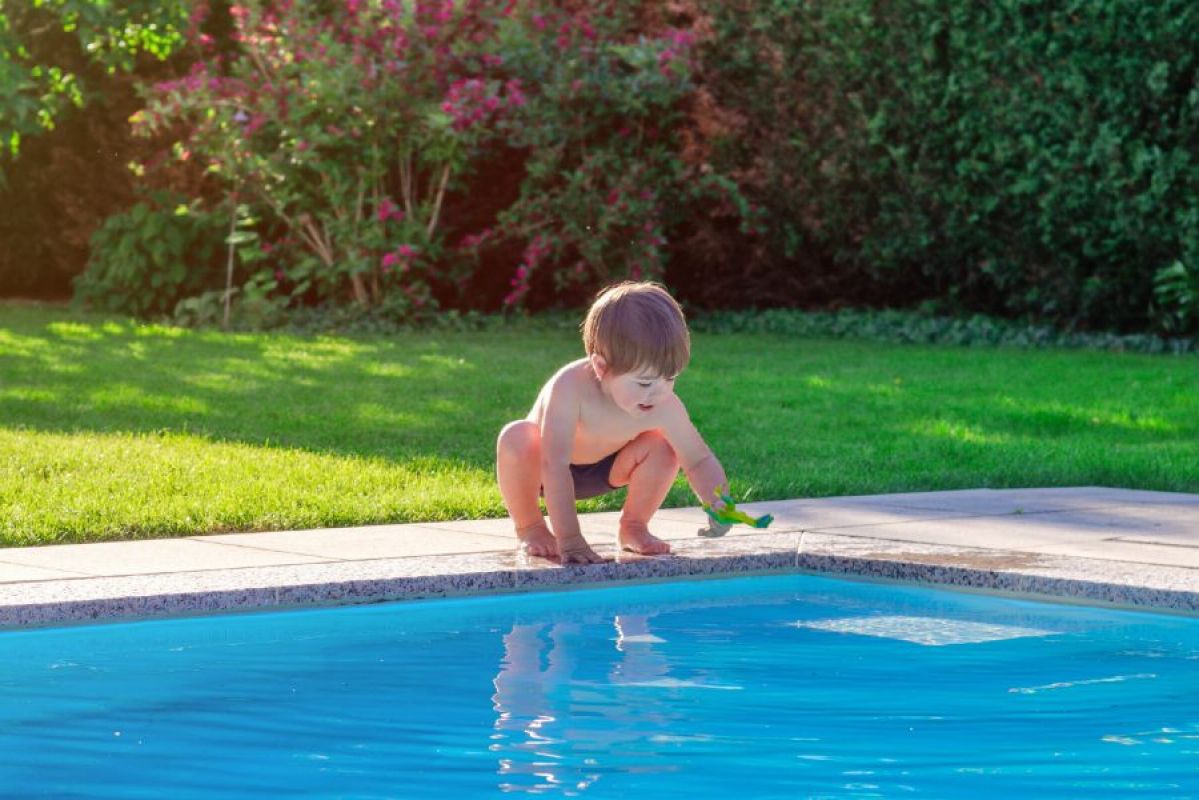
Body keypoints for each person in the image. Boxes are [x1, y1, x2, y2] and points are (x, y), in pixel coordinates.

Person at [495, 280, 729, 564]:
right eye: (644, 382)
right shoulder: (570, 389)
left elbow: (698, 459)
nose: (658, 392)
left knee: (664, 446)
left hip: (608, 469)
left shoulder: (663, 403)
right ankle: (530, 528)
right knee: (516, 436)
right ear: (601, 367)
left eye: (670, 378)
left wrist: (718, 501)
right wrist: (570, 540)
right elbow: (553, 464)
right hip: (545, 470)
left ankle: (633, 526)